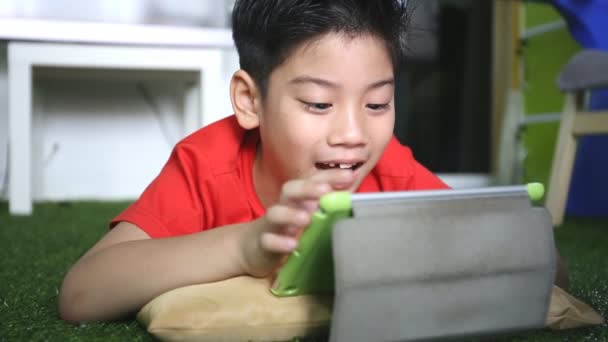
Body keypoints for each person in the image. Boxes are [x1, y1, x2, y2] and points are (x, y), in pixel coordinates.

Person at [58, 0, 566, 323]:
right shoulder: (206, 163)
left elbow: (548, 266)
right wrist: (245, 246)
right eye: (319, 104)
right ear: (250, 100)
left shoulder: (391, 166)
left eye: (377, 104)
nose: (352, 135)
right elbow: (82, 294)